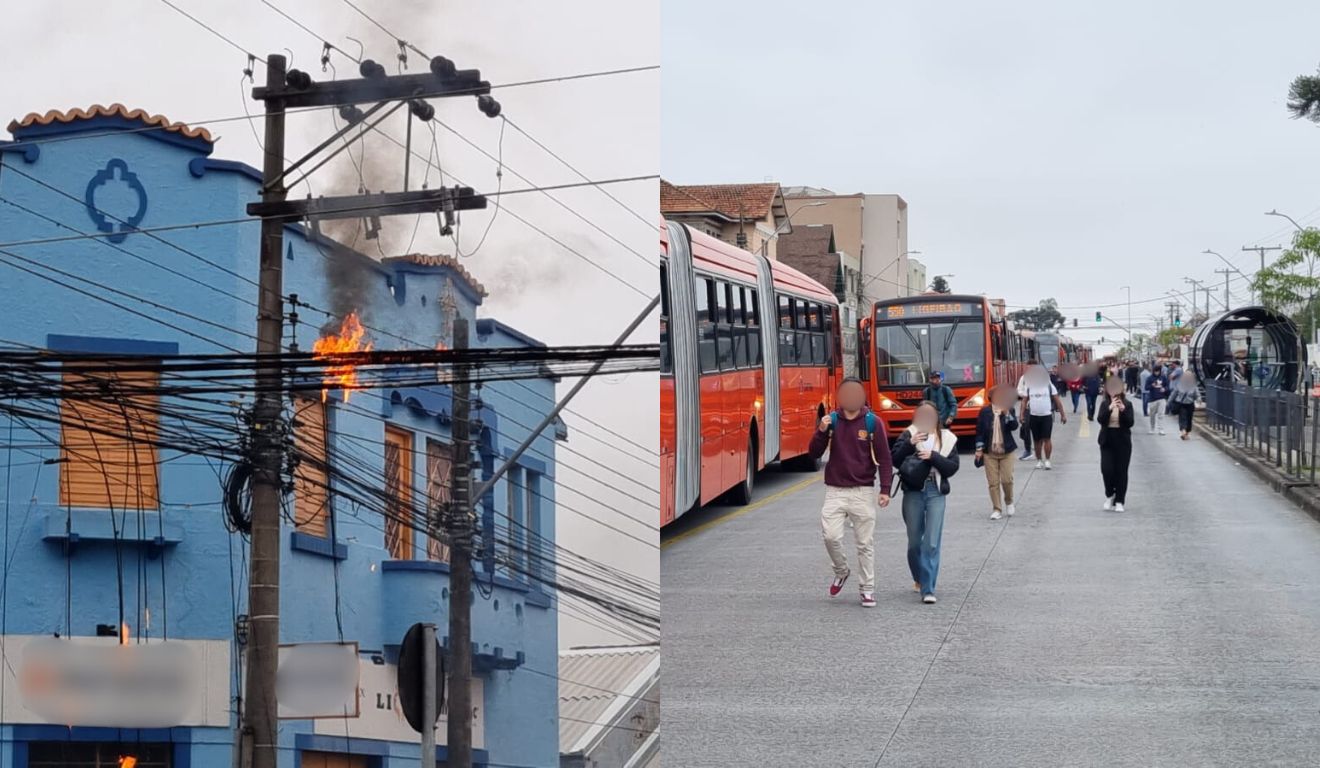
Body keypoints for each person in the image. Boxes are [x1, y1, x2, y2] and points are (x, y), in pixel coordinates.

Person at [808, 377, 893, 608]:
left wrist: (885, 489)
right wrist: (821, 431)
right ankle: (842, 570)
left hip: (863, 491)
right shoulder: (832, 421)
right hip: (835, 491)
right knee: (830, 536)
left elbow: (885, 459)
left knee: (865, 543)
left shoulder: (873, 422)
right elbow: (814, 453)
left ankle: (867, 589)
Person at [891, 402, 960, 604]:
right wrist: (909, 444)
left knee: (931, 541)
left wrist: (934, 457)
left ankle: (928, 589)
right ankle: (919, 578)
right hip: (913, 491)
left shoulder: (947, 438)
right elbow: (894, 460)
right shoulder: (908, 434)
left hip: (935, 491)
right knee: (914, 543)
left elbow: (952, 467)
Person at [975, 384, 1019, 520]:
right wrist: (979, 449)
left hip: (1007, 450)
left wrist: (1007, 415)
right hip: (990, 452)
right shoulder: (985, 412)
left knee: (1007, 480)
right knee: (993, 482)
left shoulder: (1008, 409)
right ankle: (997, 508)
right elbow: (980, 431)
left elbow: (1014, 426)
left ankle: (1009, 501)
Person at [1019, 361, 1067, 469]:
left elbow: (1057, 400)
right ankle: (1039, 460)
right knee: (1036, 440)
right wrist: (1021, 415)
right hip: (1034, 416)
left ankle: (1048, 460)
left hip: (1046, 416)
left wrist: (1063, 415)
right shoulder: (1029, 386)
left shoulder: (1049, 385)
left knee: (1047, 438)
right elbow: (1024, 401)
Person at [1097, 376, 1134, 512]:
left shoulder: (1127, 404)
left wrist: (1123, 410)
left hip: (1122, 441)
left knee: (1121, 471)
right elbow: (1100, 420)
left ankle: (1119, 500)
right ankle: (1109, 494)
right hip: (1107, 440)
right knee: (1106, 470)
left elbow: (1130, 423)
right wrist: (1109, 408)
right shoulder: (1104, 403)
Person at [1169, 369, 1198, 439]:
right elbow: (1174, 393)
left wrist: (1198, 399)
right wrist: (1169, 401)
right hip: (1181, 404)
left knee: (1189, 419)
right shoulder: (1179, 384)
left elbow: (1197, 394)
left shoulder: (1193, 385)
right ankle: (1183, 432)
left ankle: (1186, 432)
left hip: (1190, 404)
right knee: (1182, 418)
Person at [1145, 364, 1170, 435]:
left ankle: (1161, 429)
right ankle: (1152, 428)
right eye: (1155, 371)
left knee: (1161, 415)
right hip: (1152, 399)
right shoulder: (1149, 378)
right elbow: (1146, 387)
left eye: (1158, 371)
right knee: (1152, 415)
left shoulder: (1163, 377)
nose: (1156, 373)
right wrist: (1152, 385)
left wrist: (1164, 389)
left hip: (1162, 398)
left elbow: (1167, 386)